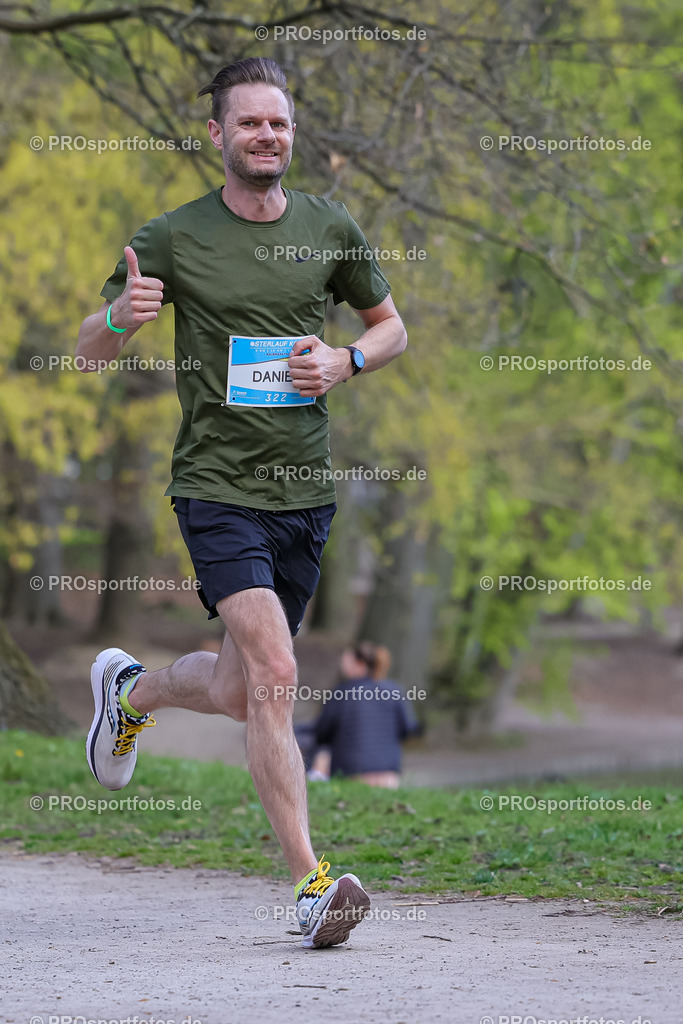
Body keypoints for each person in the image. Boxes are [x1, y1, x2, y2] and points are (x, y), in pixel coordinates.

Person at [76, 56, 407, 950]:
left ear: (292, 135)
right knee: (275, 670)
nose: (268, 135)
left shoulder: (329, 227)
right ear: (217, 134)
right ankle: (310, 885)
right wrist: (121, 316)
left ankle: (130, 693)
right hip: (216, 487)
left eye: (279, 123)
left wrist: (346, 360)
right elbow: (86, 350)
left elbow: (391, 328)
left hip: (305, 492)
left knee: (237, 689)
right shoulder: (174, 237)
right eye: (251, 122)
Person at [312, 642, 421, 788]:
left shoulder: (341, 692)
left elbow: (322, 731)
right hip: (388, 773)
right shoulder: (395, 690)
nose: (342, 665)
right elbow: (408, 728)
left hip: (349, 773)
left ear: (360, 664)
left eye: (347, 661)